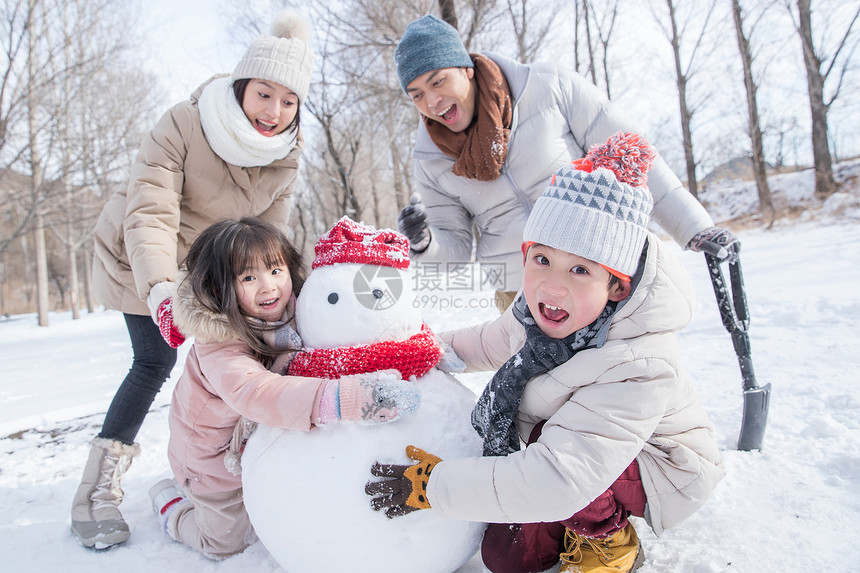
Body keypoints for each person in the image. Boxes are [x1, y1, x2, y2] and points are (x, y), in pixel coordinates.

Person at [366, 133, 725, 573]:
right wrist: (411, 351)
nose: (553, 286)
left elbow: (558, 476)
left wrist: (433, 486)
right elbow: (484, 343)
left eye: (579, 269)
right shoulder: (537, 315)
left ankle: (610, 544)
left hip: (660, 469)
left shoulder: (640, 363)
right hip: (572, 450)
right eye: (542, 260)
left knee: (551, 459)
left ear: (617, 286)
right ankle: (573, 521)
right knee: (507, 559)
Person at [70, 11, 316, 549]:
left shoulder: (285, 154)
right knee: (154, 360)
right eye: (264, 94)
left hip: (213, 271)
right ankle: (96, 489)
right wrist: (161, 291)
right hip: (140, 258)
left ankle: (228, 459)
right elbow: (151, 214)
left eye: (289, 101)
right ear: (241, 88)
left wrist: (281, 286)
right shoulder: (184, 123)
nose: (274, 112)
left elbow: (268, 231)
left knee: (251, 351)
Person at [393, 14, 740, 312]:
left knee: (634, 380)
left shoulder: (550, 87)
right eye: (417, 94)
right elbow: (453, 248)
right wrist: (425, 242)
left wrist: (694, 227)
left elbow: (632, 154)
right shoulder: (430, 161)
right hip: (522, 293)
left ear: (466, 68)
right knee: (548, 393)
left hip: (601, 269)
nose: (433, 101)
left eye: (438, 81)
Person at [145, 217, 418, 558]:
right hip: (211, 461)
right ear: (217, 289)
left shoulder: (295, 309)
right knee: (226, 542)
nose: (268, 286)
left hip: (259, 441)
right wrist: (348, 399)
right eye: (248, 277)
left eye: (275, 271)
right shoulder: (217, 343)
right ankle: (172, 505)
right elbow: (256, 392)